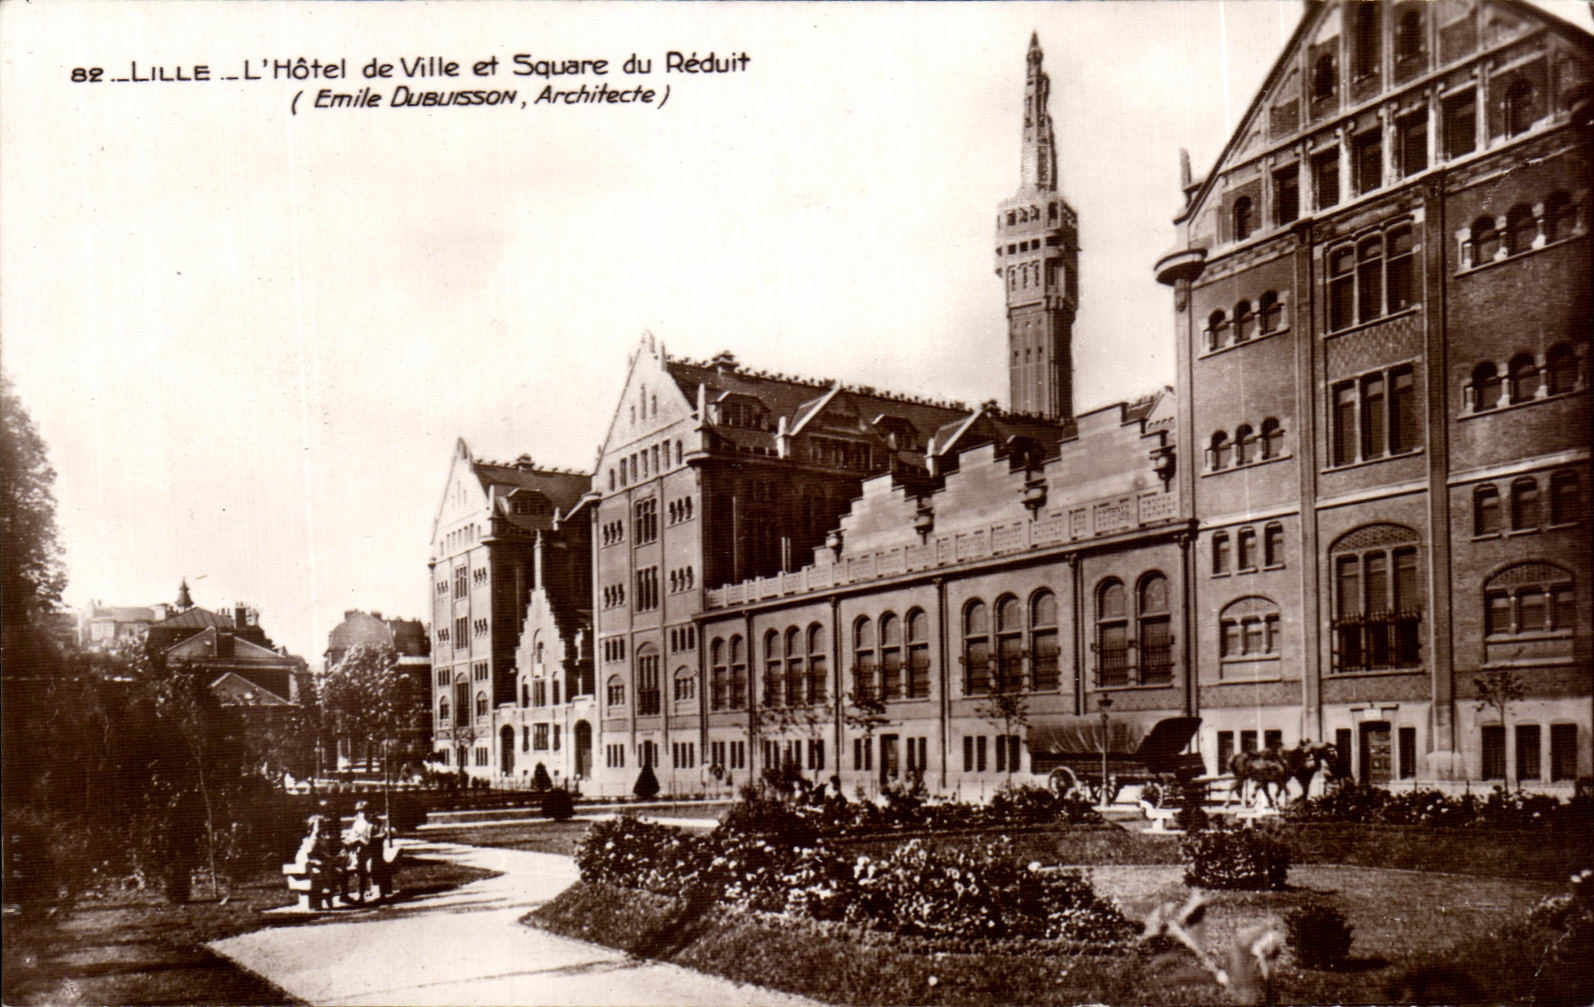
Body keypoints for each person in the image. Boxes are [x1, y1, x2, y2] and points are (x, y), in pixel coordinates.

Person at [341, 801, 375, 904]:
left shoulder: (370, 825)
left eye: (364, 811)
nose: (362, 814)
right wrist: (349, 840)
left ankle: (361, 896)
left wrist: (359, 839)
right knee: (342, 867)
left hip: (366, 851)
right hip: (354, 851)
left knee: (362, 871)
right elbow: (351, 836)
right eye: (360, 812)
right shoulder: (356, 824)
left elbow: (368, 841)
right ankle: (344, 894)